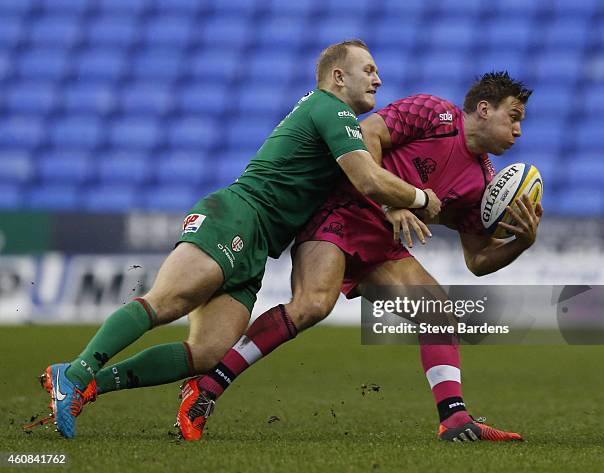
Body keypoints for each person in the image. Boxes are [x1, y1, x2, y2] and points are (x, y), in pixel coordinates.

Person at [40, 40, 443, 439]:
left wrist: (393, 206)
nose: (378, 78)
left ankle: (86, 385)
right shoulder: (330, 107)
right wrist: (420, 197)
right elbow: (368, 178)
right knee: (169, 301)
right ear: (338, 77)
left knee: (211, 352)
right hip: (237, 215)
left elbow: (364, 182)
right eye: (368, 70)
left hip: (259, 245)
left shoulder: (336, 119)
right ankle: (75, 374)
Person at [177, 72, 542, 442]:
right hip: (340, 210)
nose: (518, 131)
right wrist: (392, 201)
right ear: (483, 109)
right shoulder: (434, 113)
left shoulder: (481, 181)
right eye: (513, 117)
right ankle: (205, 388)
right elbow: (367, 135)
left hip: (381, 243)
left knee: (437, 312)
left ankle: (454, 419)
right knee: (313, 305)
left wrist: (520, 243)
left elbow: (477, 261)